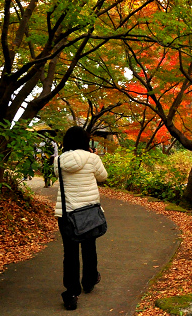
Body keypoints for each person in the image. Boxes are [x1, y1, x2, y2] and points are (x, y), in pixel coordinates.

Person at [54, 126, 108, 310]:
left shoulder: (59, 160)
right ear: (85, 141)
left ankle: (71, 292)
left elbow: (57, 175)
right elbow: (103, 177)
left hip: (66, 213)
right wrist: (91, 155)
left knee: (69, 253)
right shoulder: (92, 159)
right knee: (89, 247)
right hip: (88, 213)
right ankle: (89, 280)